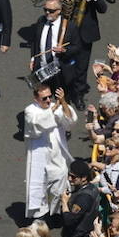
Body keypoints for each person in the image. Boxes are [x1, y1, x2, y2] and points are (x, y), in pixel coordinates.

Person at [24, 84, 79, 220]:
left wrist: (64, 102)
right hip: (39, 156)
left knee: (59, 185)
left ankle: (56, 213)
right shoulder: (30, 111)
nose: (48, 100)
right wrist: (53, 109)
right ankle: (39, 217)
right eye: (44, 98)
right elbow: (37, 124)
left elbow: (70, 122)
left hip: (57, 155)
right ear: (36, 99)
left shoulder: (57, 106)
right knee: (39, 186)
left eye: (50, 97)